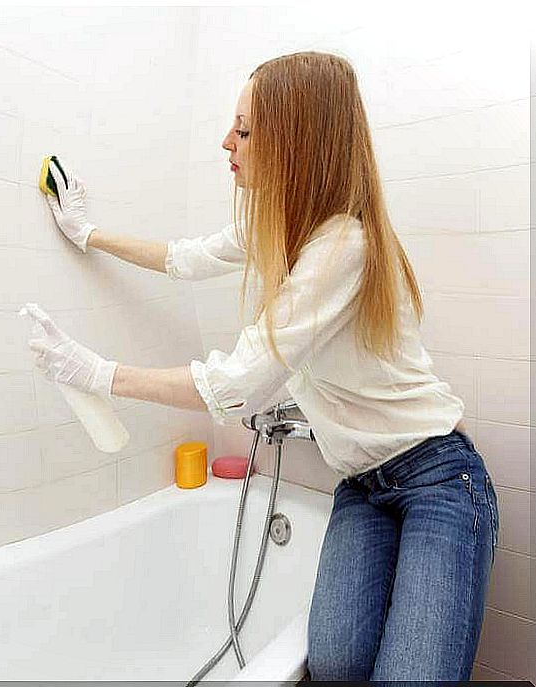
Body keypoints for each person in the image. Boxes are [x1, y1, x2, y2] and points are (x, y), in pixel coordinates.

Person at [26, 51, 499, 682]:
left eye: (244, 129)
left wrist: (96, 374)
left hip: (436, 477)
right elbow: (183, 257)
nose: (228, 142)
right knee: (333, 668)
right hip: (362, 485)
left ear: (295, 140)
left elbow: (235, 385)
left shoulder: (342, 246)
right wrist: (89, 234)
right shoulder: (279, 225)